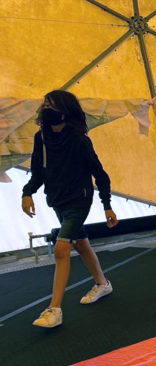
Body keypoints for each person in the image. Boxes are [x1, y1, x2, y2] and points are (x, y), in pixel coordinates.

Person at [21, 90, 119, 328]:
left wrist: (107, 206)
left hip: (79, 200)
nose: (47, 110)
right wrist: (27, 192)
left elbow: (100, 175)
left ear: (65, 113)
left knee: (61, 249)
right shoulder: (41, 138)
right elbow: (38, 172)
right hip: (57, 200)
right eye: (45, 105)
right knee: (80, 243)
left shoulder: (79, 140)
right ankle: (103, 284)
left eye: (52, 106)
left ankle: (54, 309)